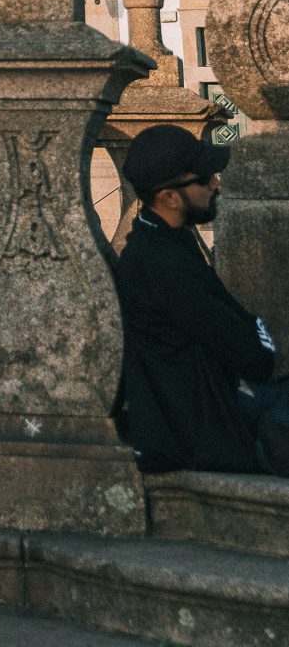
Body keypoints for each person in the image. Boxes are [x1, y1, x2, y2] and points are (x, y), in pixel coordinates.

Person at [115, 123, 288, 474]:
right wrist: (254, 332)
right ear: (170, 197)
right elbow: (256, 358)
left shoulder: (161, 239)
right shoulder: (163, 265)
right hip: (213, 430)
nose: (215, 183)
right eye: (205, 177)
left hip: (213, 407)